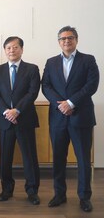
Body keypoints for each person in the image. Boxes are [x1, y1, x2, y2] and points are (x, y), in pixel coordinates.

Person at [42, 26, 99, 213]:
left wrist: (71, 102)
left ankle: (84, 197)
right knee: (58, 158)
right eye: (63, 38)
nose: (67, 41)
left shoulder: (88, 60)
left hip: (80, 117)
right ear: (58, 41)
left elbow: (92, 85)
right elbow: (46, 86)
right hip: (58, 118)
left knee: (83, 159)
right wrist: (60, 104)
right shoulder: (51, 62)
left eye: (70, 38)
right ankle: (59, 194)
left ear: (76, 40)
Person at [0, 36, 41, 205]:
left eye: (15, 47)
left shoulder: (32, 69)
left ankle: (32, 191)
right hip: (5, 120)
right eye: (8, 48)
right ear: (5, 51)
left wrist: (17, 110)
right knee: (5, 157)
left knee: (29, 157)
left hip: (24, 119)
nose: (12, 50)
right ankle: (6, 189)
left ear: (21, 49)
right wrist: (6, 111)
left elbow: (32, 93)